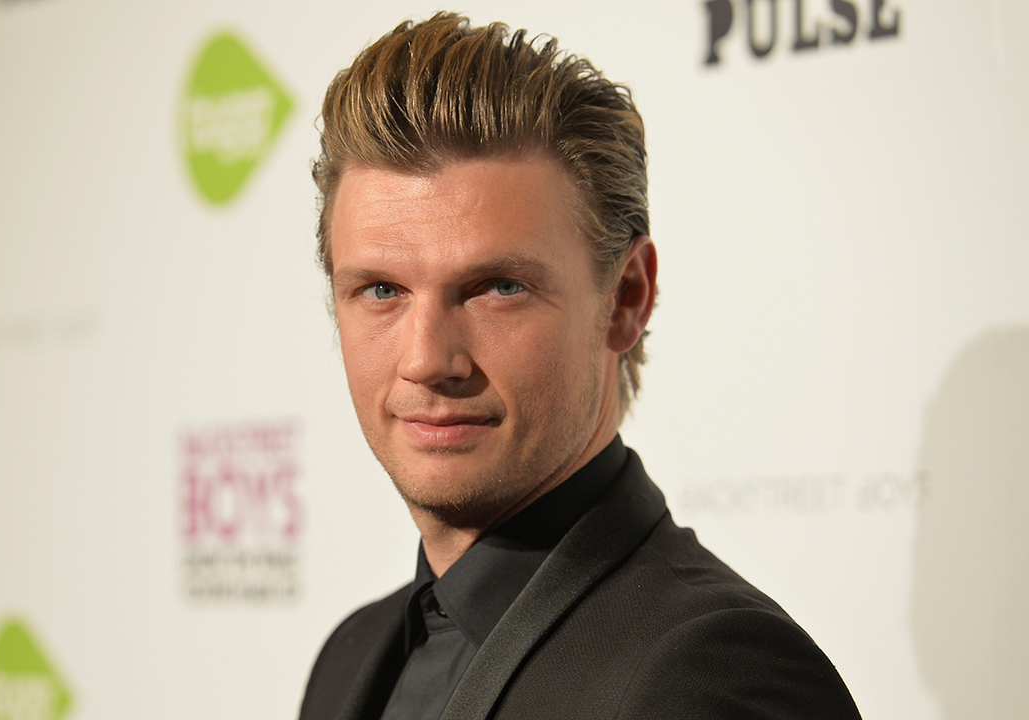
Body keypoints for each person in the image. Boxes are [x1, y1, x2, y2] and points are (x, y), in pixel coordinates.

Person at [299, 12, 861, 720]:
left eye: (498, 288)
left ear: (626, 298)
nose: (425, 360)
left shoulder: (717, 677)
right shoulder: (349, 658)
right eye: (381, 290)